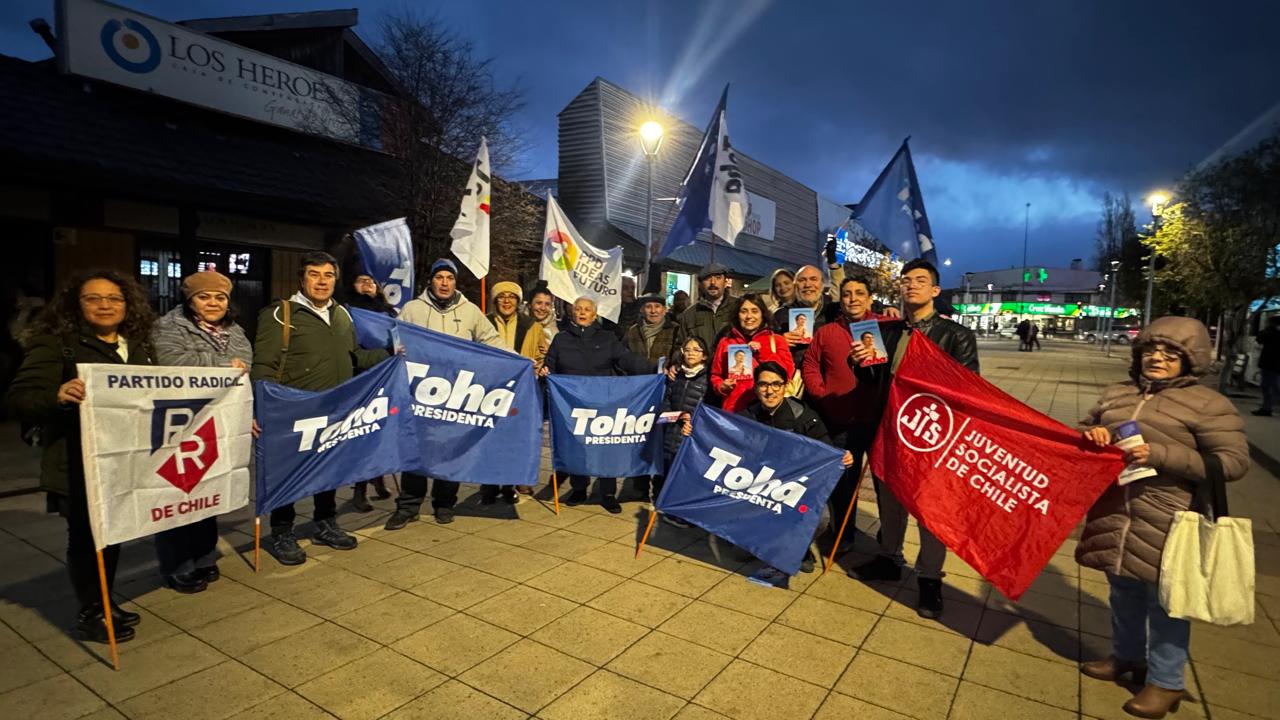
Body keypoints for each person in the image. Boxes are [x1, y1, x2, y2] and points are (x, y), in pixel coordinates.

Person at [1077, 316, 1248, 719]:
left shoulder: (1209, 405)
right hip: (1116, 510)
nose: (1157, 358)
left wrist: (1160, 455)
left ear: (1190, 360)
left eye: (1170, 353)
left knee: (1168, 603)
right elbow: (1084, 427)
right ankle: (1126, 658)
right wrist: (1091, 433)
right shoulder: (1117, 394)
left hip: (1172, 515)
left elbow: (1233, 462)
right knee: (1123, 592)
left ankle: (1166, 682)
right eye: (1151, 351)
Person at [7, 269, 157, 643]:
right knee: (88, 538)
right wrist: (57, 396)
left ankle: (105, 601)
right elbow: (19, 398)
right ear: (77, 304)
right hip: (79, 461)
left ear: (128, 305)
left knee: (113, 534)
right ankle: (91, 612)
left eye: (114, 298)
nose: (105, 305)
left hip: (125, 459)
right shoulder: (57, 344)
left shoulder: (137, 344)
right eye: (93, 298)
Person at [848, 259, 978, 619]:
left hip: (929, 440)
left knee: (929, 512)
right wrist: (859, 361)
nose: (911, 286)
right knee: (890, 504)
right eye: (906, 281)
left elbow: (969, 388)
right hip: (888, 434)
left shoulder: (956, 335)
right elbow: (873, 380)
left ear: (936, 291)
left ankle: (930, 580)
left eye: (920, 281)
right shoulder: (887, 332)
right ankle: (889, 557)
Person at [252, 251, 388, 565]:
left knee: (329, 469)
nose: (322, 281)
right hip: (293, 410)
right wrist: (261, 408)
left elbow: (354, 357)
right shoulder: (281, 314)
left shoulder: (342, 315)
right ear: (302, 277)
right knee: (288, 473)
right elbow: (263, 366)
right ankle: (282, 531)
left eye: (328, 275)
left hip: (335, 408)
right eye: (315, 274)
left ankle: (325, 523)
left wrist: (390, 353)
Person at [685, 360, 853, 576]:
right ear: (755, 388)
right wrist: (695, 432)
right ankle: (762, 540)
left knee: (822, 518)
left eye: (776, 384)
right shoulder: (747, 416)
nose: (770, 390)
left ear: (786, 386)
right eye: (763, 385)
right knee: (738, 554)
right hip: (757, 488)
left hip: (794, 490)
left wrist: (843, 457)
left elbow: (826, 449)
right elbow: (722, 442)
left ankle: (798, 549)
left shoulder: (802, 415)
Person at [150, 271, 251, 593]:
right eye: (204, 297)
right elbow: (171, 362)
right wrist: (223, 366)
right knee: (178, 491)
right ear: (190, 299)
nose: (213, 303)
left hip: (216, 422)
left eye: (219, 297)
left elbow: (246, 361)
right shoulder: (168, 326)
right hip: (178, 423)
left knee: (208, 490)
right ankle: (177, 564)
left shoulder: (234, 330)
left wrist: (221, 367)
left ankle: (205, 555)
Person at [386, 259, 504, 526]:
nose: (444, 283)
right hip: (420, 393)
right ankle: (408, 505)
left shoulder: (470, 311)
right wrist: (395, 350)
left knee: (450, 449)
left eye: (449, 278)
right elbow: (395, 338)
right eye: (439, 277)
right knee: (415, 448)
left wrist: (518, 360)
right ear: (431, 280)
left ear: (455, 282)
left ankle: (444, 503)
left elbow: (491, 340)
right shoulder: (413, 309)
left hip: (454, 394)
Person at [539, 297, 653, 512]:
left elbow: (627, 360)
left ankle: (608, 493)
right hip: (572, 406)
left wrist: (655, 369)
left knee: (604, 448)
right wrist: (546, 370)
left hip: (602, 404)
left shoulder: (607, 338)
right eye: (578, 309)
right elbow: (551, 365)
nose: (582, 313)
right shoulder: (561, 340)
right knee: (576, 447)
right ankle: (579, 488)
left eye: (587, 310)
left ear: (594, 314)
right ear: (573, 313)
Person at [802, 275, 888, 553]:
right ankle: (844, 534)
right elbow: (811, 364)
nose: (853, 299)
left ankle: (889, 539)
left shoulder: (885, 327)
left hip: (876, 421)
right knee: (843, 482)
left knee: (884, 484)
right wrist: (821, 394)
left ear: (870, 298)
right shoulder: (827, 332)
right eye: (848, 294)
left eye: (860, 293)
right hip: (839, 421)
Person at [344, 272, 395, 511]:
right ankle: (360, 489)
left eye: (371, 281)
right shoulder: (347, 312)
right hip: (360, 379)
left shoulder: (389, 312)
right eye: (360, 280)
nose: (367, 284)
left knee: (381, 433)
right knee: (363, 434)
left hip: (385, 377)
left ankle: (378, 476)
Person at [622, 294, 677, 500]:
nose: (653, 311)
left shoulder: (674, 329)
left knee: (662, 442)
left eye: (657, 307)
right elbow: (623, 359)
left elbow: (679, 356)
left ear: (664, 309)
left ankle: (659, 488)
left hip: (665, 394)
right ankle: (641, 486)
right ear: (642, 310)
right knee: (640, 439)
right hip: (639, 395)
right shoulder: (633, 332)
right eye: (649, 307)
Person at [658, 336, 711, 527]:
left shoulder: (708, 379)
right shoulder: (676, 376)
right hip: (672, 432)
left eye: (696, 350)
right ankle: (670, 507)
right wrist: (676, 415)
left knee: (689, 474)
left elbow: (711, 410)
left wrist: (696, 422)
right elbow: (664, 408)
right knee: (670, 469)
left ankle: (687, 512)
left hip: (693, 436)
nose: (691, 353)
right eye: (687, 349)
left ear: (704, 355)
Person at [711, 294, 794, 413]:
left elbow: (787, 373)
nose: (749, 316)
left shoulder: (777, 341)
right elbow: (715, 375)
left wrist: (762, 353)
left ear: (762, 314)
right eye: (743, 311)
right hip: (734, 410)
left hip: (767, 410)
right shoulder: (725, 342)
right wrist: (722, 386)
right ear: (737, 315)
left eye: (755, 311)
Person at [674, 263, 734, 360]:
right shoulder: (690, 314)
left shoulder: (739, 307)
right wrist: (674, 362)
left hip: (732, 370)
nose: (713, 282)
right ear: (701, 284)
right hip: (702, 372)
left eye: (718, 278)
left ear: (725, 281)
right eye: (707, 279)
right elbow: (680, 346)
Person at [488, 281, 542, 361]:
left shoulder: (533, 327)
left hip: (523, 373)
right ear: (495, 301)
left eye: (512, 297)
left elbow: (542, 357)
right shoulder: (484, 324)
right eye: (501, 297)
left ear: (518, 301)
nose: (506, 301)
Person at [1253, 314, 1279, 417]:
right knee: (1273, 385)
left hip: (1268, 363)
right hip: (1275, 364)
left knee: (1267, 386)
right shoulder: (1275, 333)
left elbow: (1259, 338)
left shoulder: (1270, 332)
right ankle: (1266, 407)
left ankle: (1266, 408)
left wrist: (1267, 328)